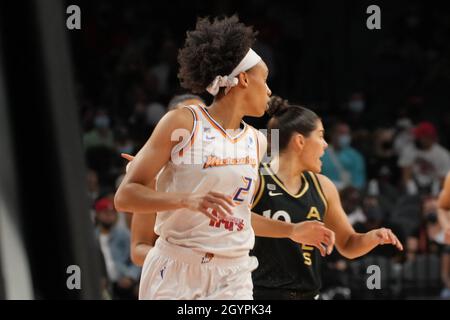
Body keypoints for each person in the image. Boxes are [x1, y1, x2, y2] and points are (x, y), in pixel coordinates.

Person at [114, 16, 334, 300]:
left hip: (234, 274)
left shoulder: (255, 141)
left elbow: (238, 217)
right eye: (264, 80)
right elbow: (124, 197)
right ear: (243, 79)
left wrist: (292, 231)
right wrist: (185, 198)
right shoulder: (184, 122)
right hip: (178, 270)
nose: (268, 90)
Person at [250, 97, 403, 300]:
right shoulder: (256, 178)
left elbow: (348, 243)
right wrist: (292, 231)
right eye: (320, 136)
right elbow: (237, 219)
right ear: (300, 141)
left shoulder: (323, 186)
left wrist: (372, 237)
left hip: (310, 294)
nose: (325, 145)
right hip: (259, 296)